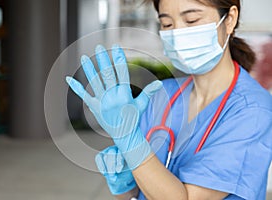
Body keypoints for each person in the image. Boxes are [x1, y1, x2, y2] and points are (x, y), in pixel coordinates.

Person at [66, 0, 272, 199]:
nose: (177, 33)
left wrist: (130, 141)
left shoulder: (253, 111)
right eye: (167, 24)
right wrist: (124, 186)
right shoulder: (161, 94)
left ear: (229, 20)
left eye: (191, 20)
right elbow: (141, 193)